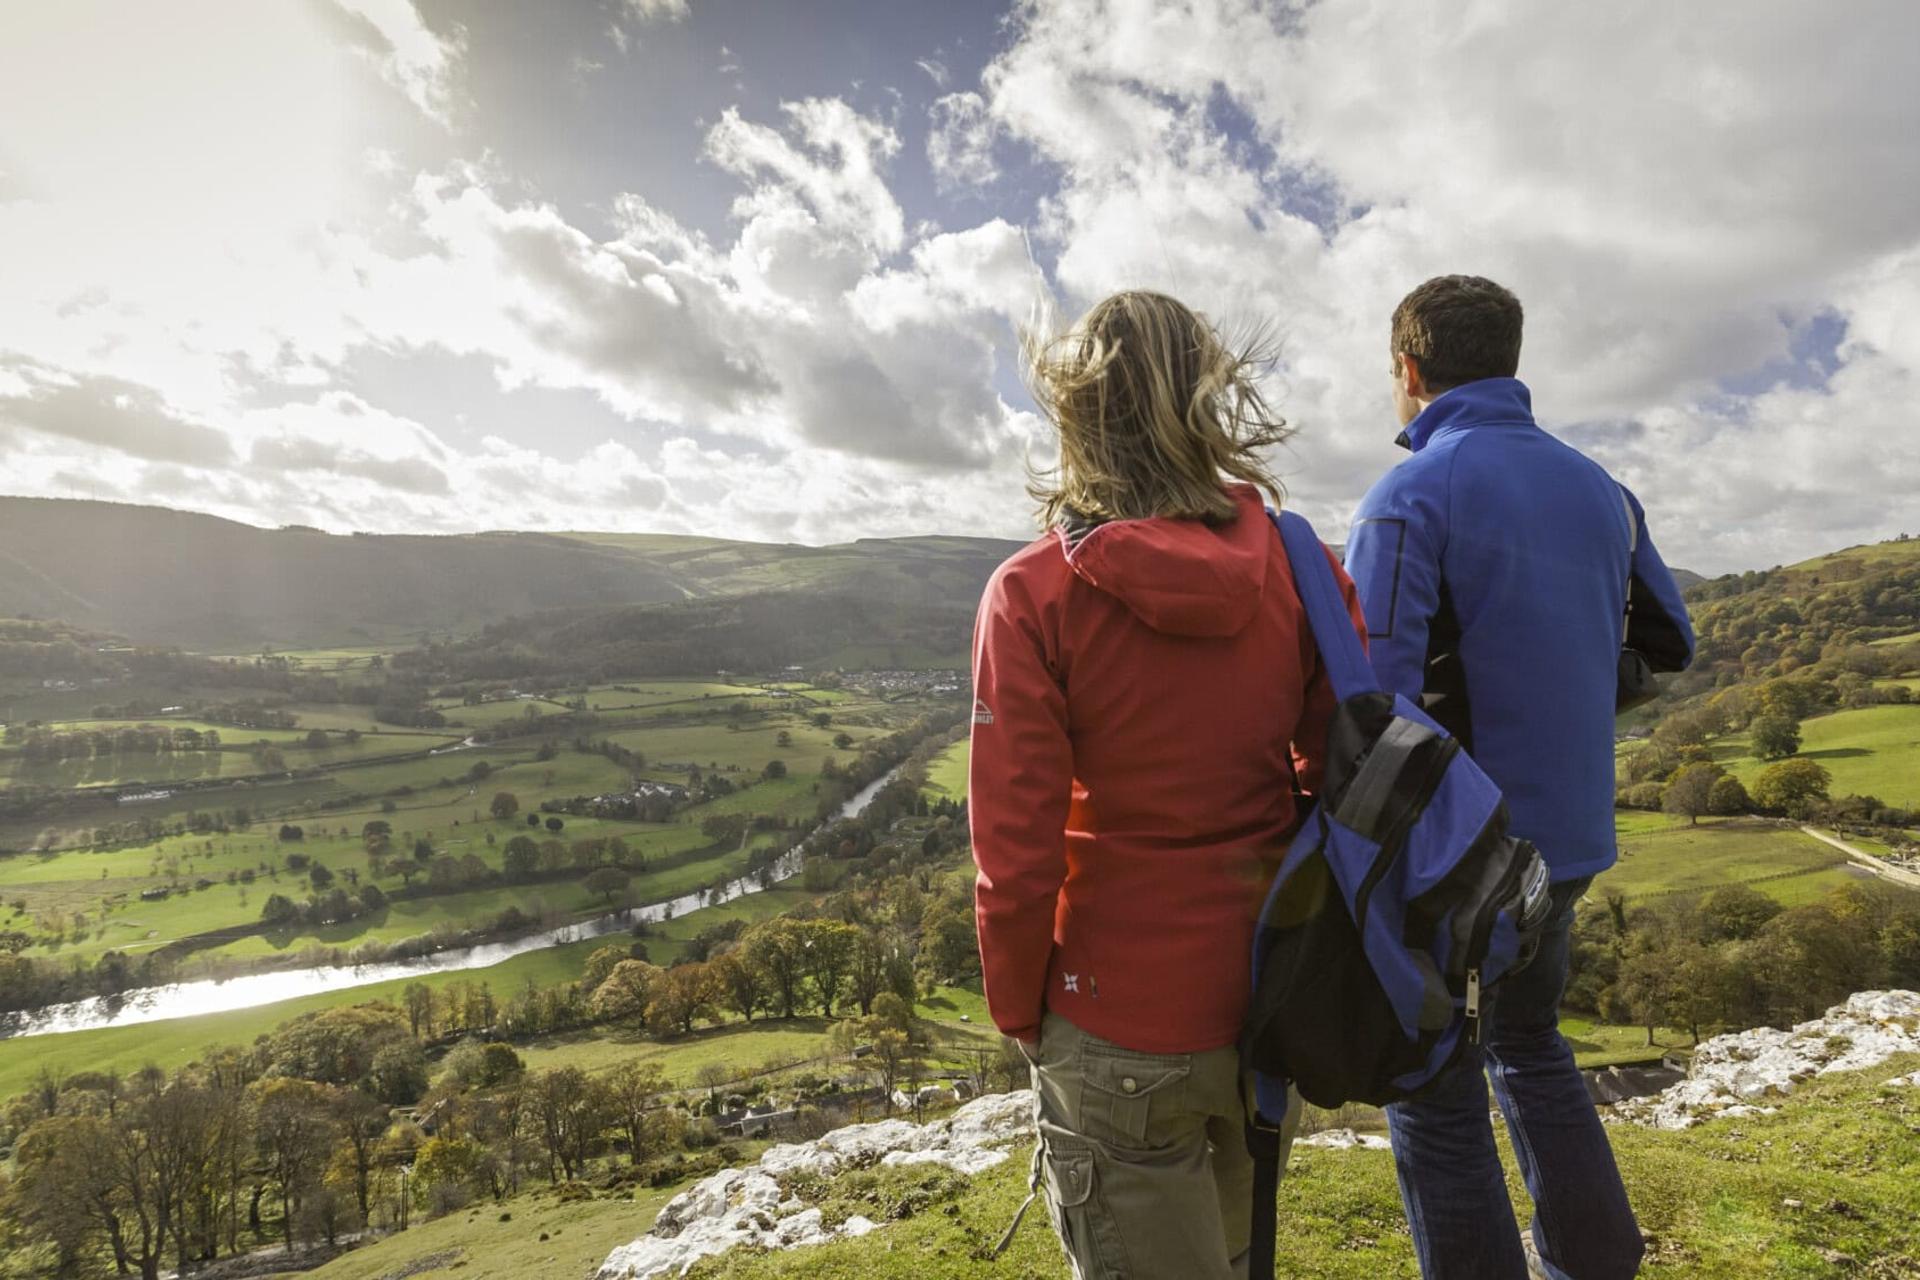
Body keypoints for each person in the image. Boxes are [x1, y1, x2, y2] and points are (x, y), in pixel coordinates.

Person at [968, 289, 1366, 1278]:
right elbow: (1343, 771)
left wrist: (1022, 1009)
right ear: (1207, 402)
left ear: (1078, 412)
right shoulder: (1303, 565)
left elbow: (1017, 859)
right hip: (1267, 1000)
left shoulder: (1030, 595)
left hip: (1109, 1017)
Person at [1343, 275, 1695, 1280]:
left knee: (1429, 1074)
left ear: (1407, 370)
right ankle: (1591, 1264)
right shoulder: (1600, 488)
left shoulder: (1408, 495)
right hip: (1571, 835)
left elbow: (1373, 701)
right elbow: (1669, 642)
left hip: (1454, 841)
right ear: (1510, 358)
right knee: (1531, 1042)